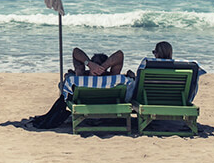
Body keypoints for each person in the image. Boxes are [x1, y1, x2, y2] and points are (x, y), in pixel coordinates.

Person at [29, 41, 173, 129]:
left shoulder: (80, 79)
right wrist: (106, 68)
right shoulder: (113, 79)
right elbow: (120, 54)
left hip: (84, 101)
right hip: (110, 101)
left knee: (64, 82)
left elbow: (75, 51)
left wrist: (88, 65)